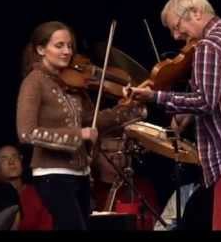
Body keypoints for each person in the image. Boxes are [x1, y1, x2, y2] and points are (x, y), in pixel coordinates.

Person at [126, 0, 221, 230]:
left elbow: (205, 100)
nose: (176, 36)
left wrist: (155, 96)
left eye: (177, 26)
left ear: (196, 12)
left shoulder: (209, 44)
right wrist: (183, 114)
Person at [17, 21, 146, 230]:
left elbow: (92, 122)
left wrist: (129, 109)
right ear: (41, 49)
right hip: (52, 174)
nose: (67, 51)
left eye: (69, 46)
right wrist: (78, 135)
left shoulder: (70, 84)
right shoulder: (34, 82)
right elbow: (26, 132)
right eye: (59, 46)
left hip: (81, 173)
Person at [91, 136, 160, 230]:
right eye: (108, 151)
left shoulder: (142, 187)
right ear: (96, 156)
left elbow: (154, 224)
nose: (117, 155)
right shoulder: (89, 190)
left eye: (122, 150)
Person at [0, 145, 53, 230]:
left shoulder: (38, 193)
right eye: (4, 159)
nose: (11, 162)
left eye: (15, 156)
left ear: (21, 160)